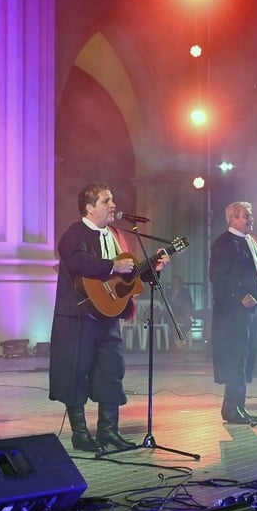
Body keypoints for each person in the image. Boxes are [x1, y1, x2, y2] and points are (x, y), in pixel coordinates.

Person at [49, 181, 169, 453]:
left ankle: (109, 431)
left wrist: (153, 269)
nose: (113, 205)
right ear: (90, 207)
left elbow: (127, 278)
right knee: (75, 374)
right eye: (106, 201)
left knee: (111, 372)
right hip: (78, 317)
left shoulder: (115, 236)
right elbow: (76, 260)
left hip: (108, 317)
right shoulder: (74, 233)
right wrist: (112, 265)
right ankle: (80, 435)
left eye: (112, 200)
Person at [209, 201, 257, 424]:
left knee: (246, 358)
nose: (251, 219)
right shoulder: (224, 243)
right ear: (233, 218)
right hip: (233, 312)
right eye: (246, 216)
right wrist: (239, 296)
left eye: (250, 215)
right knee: (236, 358)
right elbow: (217, 276)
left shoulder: (249, 241)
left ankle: (239, 406)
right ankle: (231, 408)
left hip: (252, 309)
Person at [167, 275, 196, 342]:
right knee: (172, 321)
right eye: (174, 282)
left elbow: (190, 303)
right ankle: (177, 339)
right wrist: (174, 296)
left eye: (177, 282)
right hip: (171, 314)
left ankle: (181, 336)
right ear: (172, 283)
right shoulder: (169, 291)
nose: (176, 284)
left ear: (180, 283)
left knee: (188, 322)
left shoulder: (185, 292)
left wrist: (188, 313)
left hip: (182, 313)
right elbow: (167, 304)